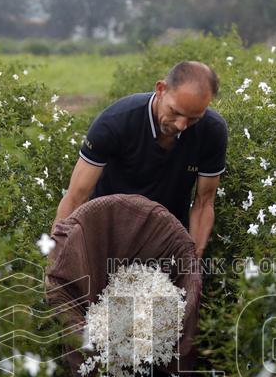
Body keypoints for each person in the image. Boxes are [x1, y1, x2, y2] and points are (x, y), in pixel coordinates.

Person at [50, 61, 228, 258]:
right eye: (175, 112)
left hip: (167, 239)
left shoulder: (212, 131)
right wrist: (56, 258)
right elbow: (76, 196)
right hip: (107, 234)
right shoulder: (115, 122)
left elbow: (204, 203)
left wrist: (194, 258)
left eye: (194, 118)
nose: (182, 125)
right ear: (161, 90)